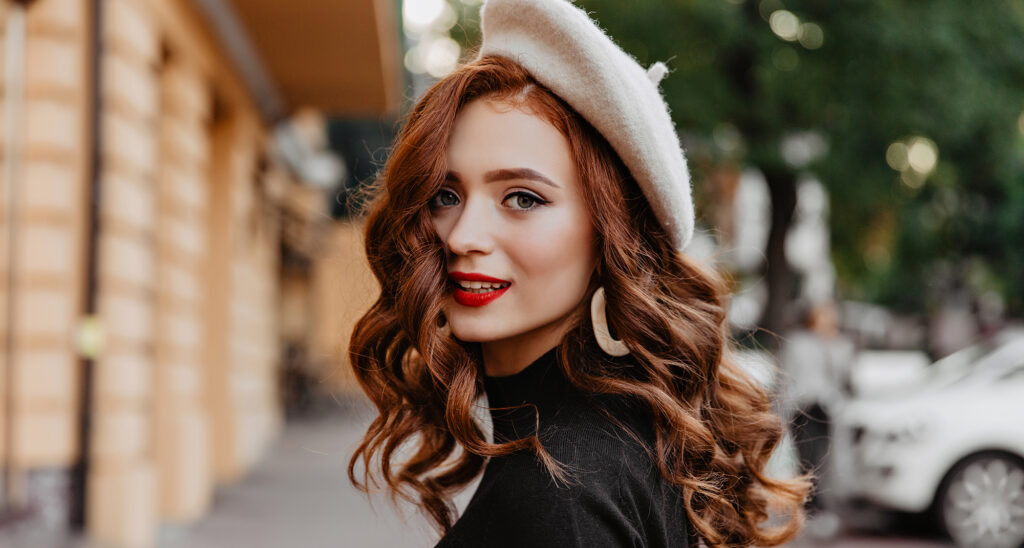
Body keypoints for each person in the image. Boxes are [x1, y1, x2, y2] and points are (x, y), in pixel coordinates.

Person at [347, 0, 810, 546]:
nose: (463, 236)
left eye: (521, 198)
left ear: (610, 235)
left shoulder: (559, 489)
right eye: (445, 195)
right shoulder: (624, 439)